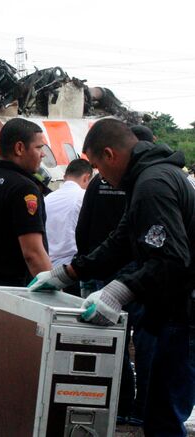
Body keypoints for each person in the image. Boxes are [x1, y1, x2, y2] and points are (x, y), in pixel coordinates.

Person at [30, 119, 195, 437]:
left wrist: (119, 291)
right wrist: (68, 272)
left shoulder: (153, 185)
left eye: (96, 166)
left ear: (110, 154)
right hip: (175, 310)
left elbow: (173, 260)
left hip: (184, 314)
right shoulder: (144, 180)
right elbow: (122, 240)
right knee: (159, 412)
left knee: (163, 417)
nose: (98, 176)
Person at [73, 125, 157, 426]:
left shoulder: (105, 184)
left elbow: (84, 230)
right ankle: (142, 408)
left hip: (116, 279)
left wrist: (89, 270)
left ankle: (119, 404)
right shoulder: (144, 181)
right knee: (146, 344)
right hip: (140, 278)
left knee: (113, 345)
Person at [0, 118, 52, 326]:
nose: (42, 154)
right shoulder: (24, 188)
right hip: (15, 295)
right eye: (39, 147)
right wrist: (53, 291)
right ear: (20, 148)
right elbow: (32, 253)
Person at [44, 159, 92, 269]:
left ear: (65, 176)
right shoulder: (85, 196)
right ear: (86, 177)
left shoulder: (47, 199)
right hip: (71, 267)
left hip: (46, 264)